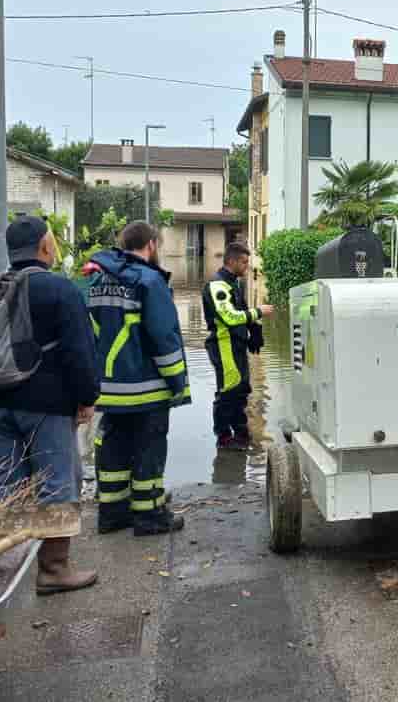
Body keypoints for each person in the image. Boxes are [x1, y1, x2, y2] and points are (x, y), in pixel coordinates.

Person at [0, 216, 100, 595]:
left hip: (0, 401)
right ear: (45, 247)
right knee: (58, 483)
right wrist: (86, 398)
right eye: (52, 241)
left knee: (6, 482)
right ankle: (54, 569)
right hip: (48, 406)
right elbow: (80, 352)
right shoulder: (60, 289)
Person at [87, 221, 189, 536]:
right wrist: (178, 384)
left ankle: (113, 513)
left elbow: (89, 336)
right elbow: (163, 337)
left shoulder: (95, 281)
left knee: (114, 447)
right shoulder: (149, 281)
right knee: (149, 448)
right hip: (146, 390)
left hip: (108, 391)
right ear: (152, 245)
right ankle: (149, 516)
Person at [203, 242, 273, 450]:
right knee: (227, 392)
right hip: (223, 346)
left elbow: (242, 309)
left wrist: (255, 331)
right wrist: (259, 312)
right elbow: (230, 317)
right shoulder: (217, 285)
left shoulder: (234, 283)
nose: (246, 266)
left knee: (241, 389)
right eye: (243, 262)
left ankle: (241, 433)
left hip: (236, 345)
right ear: (231, 261)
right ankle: (224, 436)